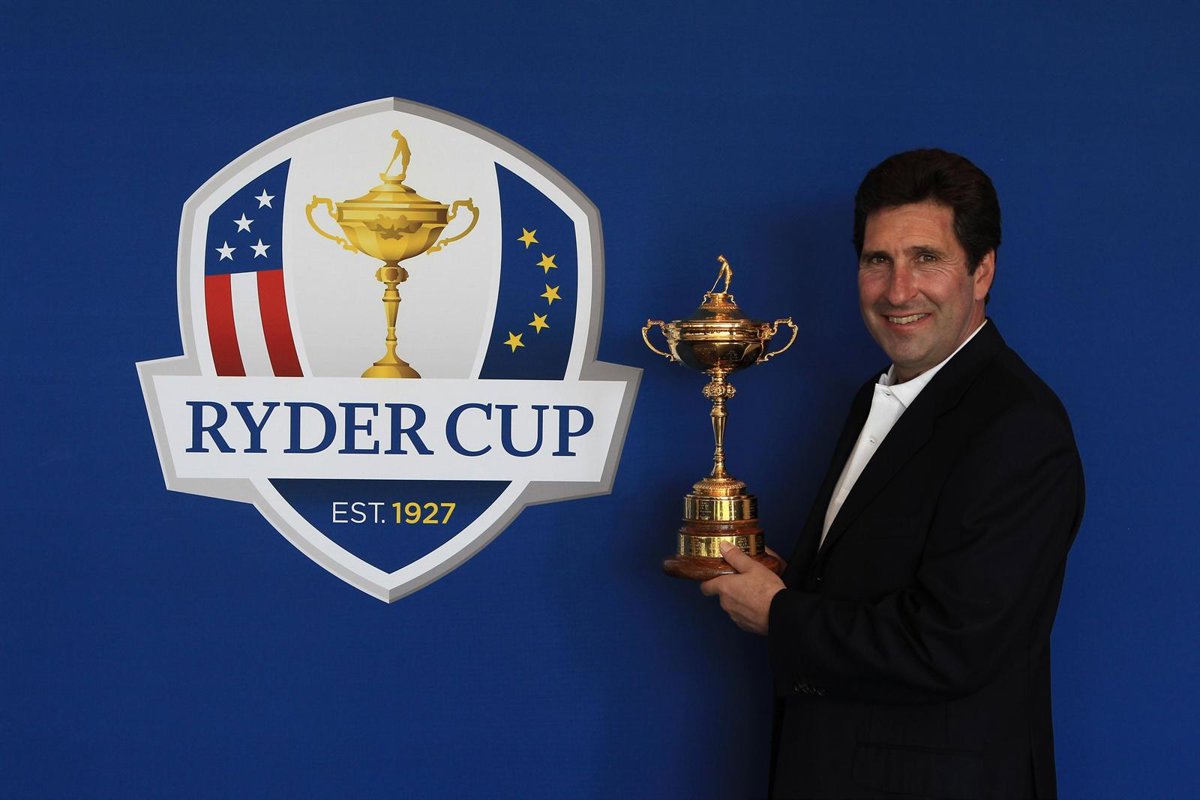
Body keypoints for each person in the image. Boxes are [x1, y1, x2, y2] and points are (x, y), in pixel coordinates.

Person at [701, 149, 1084, 800]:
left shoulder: (1018, 426)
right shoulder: (872, 398)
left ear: (982, 271)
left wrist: (782, 614)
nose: (898, 290)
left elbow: (951, 645)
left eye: (926, 258)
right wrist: (792, 581)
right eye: (878, 260)